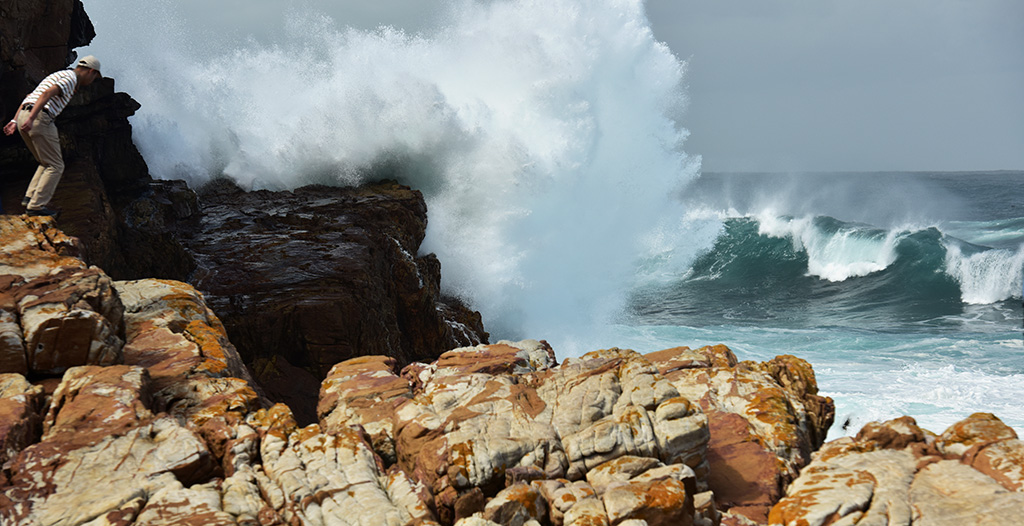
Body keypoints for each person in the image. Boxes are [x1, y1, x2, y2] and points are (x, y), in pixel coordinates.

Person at [3, 55, 103, 217]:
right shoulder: (70, 79)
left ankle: (30, 198)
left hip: (24, 114)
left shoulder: (58, 74)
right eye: (94, 77)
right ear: (91, 71)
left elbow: (30, 97)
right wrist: (32, 118)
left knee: (45, 162)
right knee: (56, 166)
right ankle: (36, 206)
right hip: (39, 118)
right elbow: (47, 94)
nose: (92, 81)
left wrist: (15, 120)